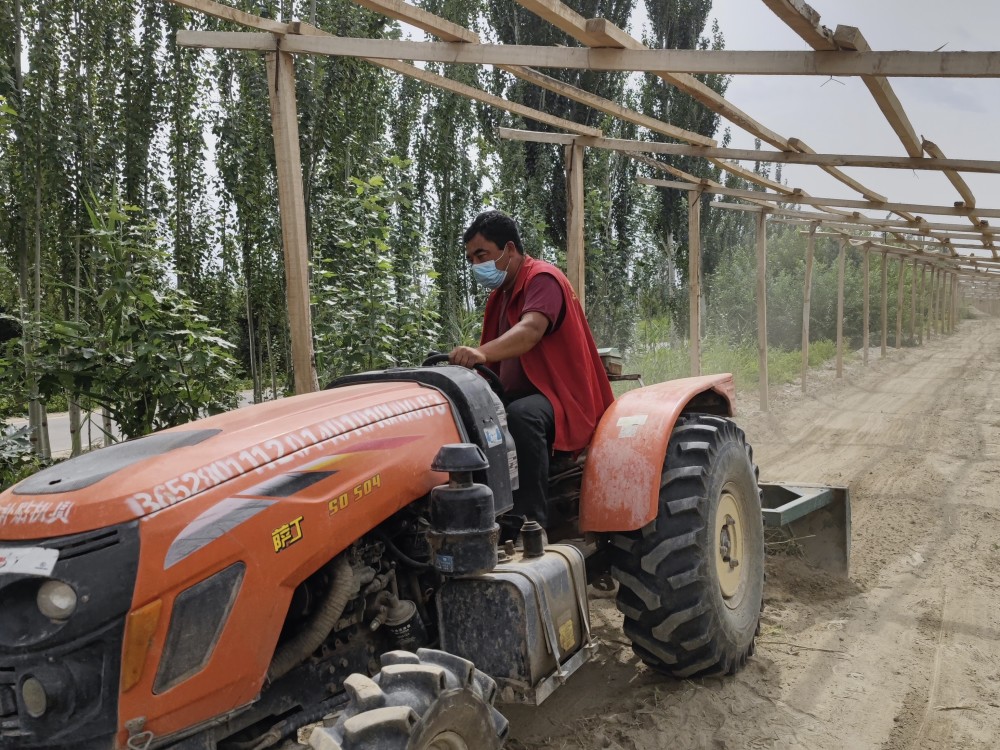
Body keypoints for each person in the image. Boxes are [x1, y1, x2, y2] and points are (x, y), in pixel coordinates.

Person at [449, 210, 614, 535]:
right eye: (471, 258)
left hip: (562, 398)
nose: (476, 265)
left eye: (482, 254)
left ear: (509, 249)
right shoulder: (500, 297)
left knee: (521, 416)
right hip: (520, 395)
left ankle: (528, 525)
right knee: (468, 418)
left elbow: (530, 330)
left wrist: (480, 353)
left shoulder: (543, 279)